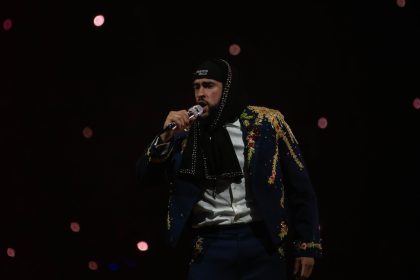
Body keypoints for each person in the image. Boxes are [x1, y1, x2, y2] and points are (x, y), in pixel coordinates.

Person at [136, 58, 322, 279]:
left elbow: (300, 187)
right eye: (197, 87)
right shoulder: (183, 133)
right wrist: (165, 136)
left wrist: (307, 245)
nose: (200, 94)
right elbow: (144, 177)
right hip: (210, 246)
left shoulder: (266, 123)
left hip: (262, 243)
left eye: (209, 85)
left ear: (227, 88)